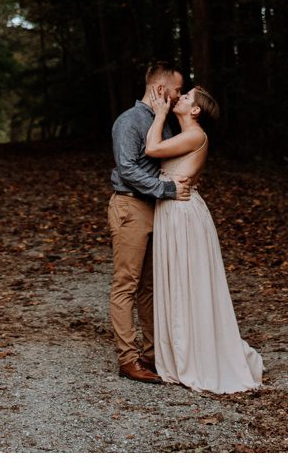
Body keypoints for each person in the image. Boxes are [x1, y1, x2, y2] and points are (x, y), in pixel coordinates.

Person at [143, 85, 263, 393]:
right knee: (177, 279)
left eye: (186, 97)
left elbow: (152, 150)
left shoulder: (195, 135)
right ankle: (181, 353)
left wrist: (159, 113)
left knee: (188, 281)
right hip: (172, 209)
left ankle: (195, 355)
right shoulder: (185, 133)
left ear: (195, 110)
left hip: (182, 213)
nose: (180, 98)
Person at [108, 61, 191, 382]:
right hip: (131, 206)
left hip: (157, 209)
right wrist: (168, 189)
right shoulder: (128, 121)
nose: (179, 95)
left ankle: (153, 354)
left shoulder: (164, 122)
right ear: (159, 89)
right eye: (177, 90)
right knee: (126, 284)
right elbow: (127, 169)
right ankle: (128, 359)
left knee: (150, 286)